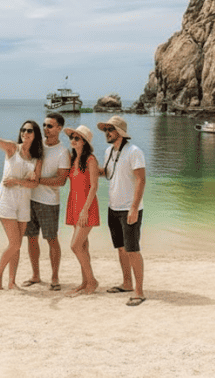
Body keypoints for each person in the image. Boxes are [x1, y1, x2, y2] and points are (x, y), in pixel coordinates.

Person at [0, 116, 43, 291]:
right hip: (6, 198)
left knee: (17, 245)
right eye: (23, 130)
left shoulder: (37, 158)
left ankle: (11, 282)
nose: (25, 133)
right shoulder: (12, 148)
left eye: (29, 131)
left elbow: (35, 183)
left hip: (23, 202)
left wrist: (17, 181)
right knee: (15, 244)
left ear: (35, 135)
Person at [97, 115, 147, 306]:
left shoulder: (134, 151)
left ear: (120, 132)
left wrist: (134, 208)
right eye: (105, 129)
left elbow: (141, 179)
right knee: (121, 248)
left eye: (110, 129)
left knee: (132, 249)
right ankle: (127, 283)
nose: (107, 133)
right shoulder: (109, 151)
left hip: (129, 208)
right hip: (113, 207)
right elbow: (108, 173)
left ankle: (139, 292)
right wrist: (86, 166)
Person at [20, 112, 70, 291]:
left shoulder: (63, 152)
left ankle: (55, 278)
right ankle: (35, 275)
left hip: (49, 202)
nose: (46, 129)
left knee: (51, 239)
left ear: (59, 128)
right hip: (29, 198)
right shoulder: (36, 144)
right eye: (44, 125)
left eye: (50, 126)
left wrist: (37, 181)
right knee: (31, 238)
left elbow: (61, 181)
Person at [61, 124, 100, 296]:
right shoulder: (72, 160)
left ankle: (92, 281)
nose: (73, 140)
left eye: (77, 138)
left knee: (75, 245)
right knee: (83, 246)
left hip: (86, 207)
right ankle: (85, 282)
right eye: (71, 137)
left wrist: (85, 210)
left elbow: (94, 187)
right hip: (74, 204)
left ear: (84, 142)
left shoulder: (91, 160)